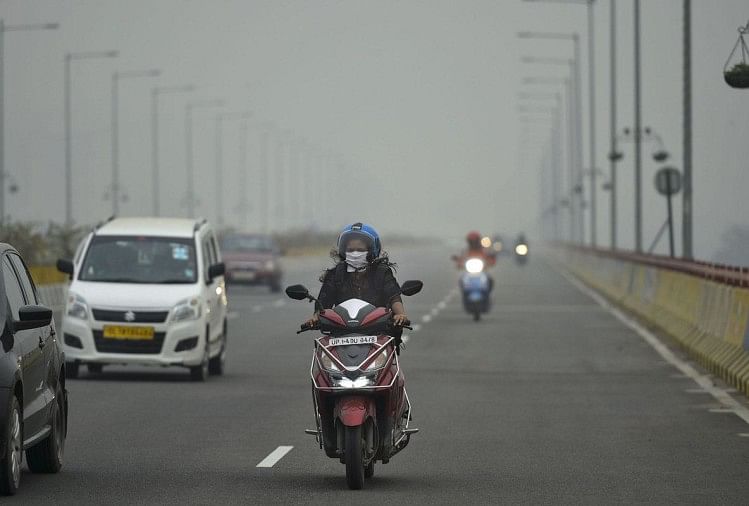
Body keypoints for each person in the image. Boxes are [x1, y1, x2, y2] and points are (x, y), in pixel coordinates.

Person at [306, 223, 409, 327]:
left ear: (371, 251)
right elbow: (323, 303)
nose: (355, 253)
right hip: (342, 332)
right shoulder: (335, 274)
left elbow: (394, 297)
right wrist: (315, 317)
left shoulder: (382, 272)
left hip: (379, 329)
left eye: (360, 250)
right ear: (343, 251)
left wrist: (400, 314)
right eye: (350, 250)